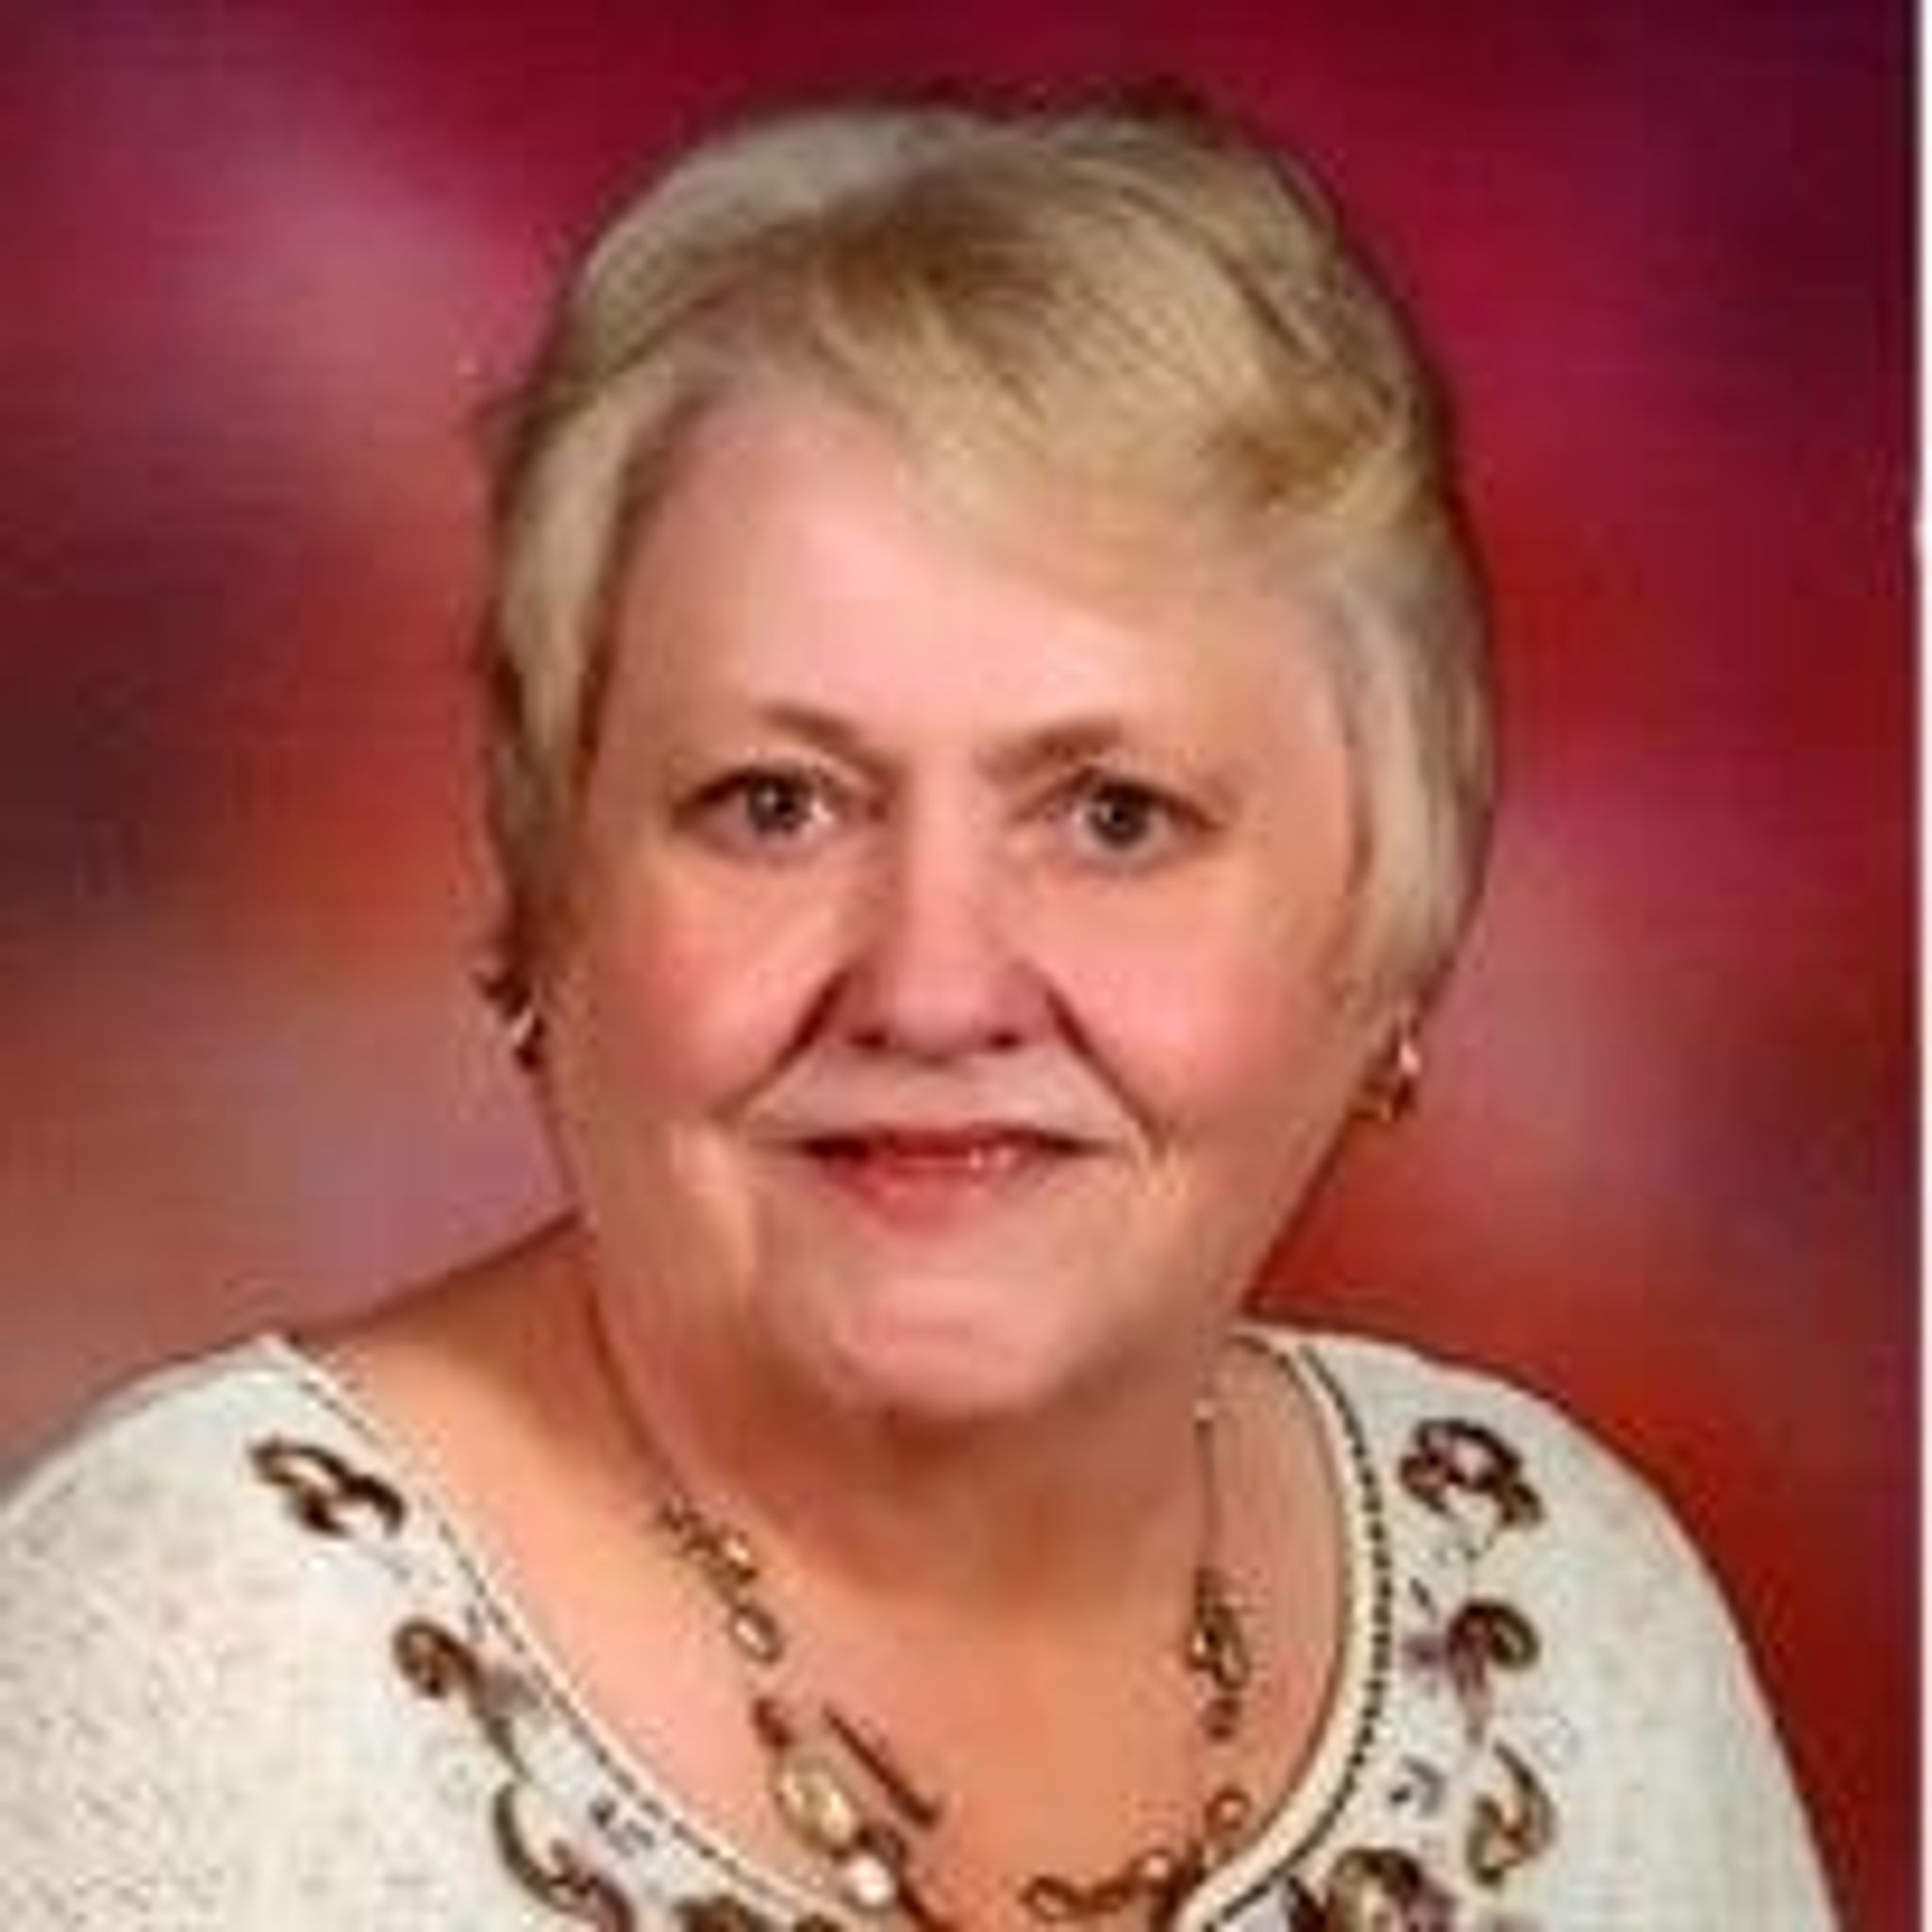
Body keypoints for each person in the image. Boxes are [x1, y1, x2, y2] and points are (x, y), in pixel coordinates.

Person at [0, 89, 1833, 1930]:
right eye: (774, 805)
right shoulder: (188, 1671)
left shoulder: (1566, 1621)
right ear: (553, 902)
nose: (932, 988)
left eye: (1114, 817)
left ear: (1386, 927)